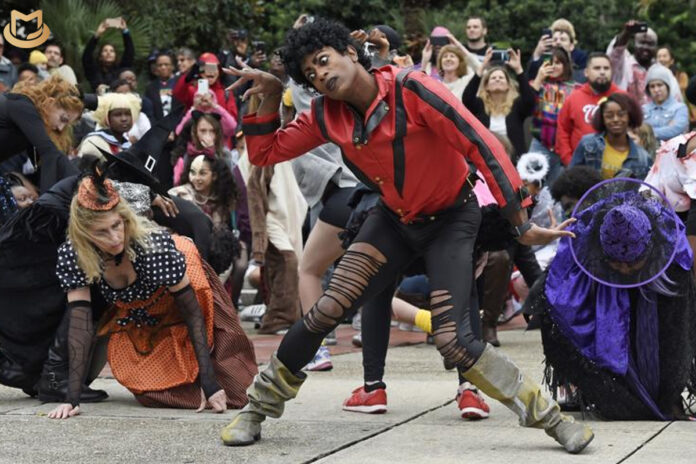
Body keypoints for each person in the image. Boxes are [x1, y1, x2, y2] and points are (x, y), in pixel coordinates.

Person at [219, 18, 593, 454]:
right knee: (326, 309)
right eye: (310, 74)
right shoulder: (325, 113)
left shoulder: (412, 87)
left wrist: (520, 222)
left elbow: (480, 143)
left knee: (456, 340)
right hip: (394, 219)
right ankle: (257, 408)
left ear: (351, 53)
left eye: (323, 61)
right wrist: (265, 100)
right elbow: (265, 152)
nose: (320, 75)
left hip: (453, 219)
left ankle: (551, 419)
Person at [46, 173, 257, 419]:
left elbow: (193, 314)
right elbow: (80, 324)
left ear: (125, 218)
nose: (114, 238)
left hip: (187, 285)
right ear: (84, 233)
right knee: (153, 394)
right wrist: (72, 399)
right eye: (101, 232)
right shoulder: (75, 254)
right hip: (141, 305)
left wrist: (209, 382)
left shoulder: (153, 248)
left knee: (229, 391)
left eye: (117, 225)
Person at [527, 178, 696, 420]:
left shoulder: (673, 250)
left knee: (668, 329)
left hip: (656, 289)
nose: (625, 270)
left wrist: (670, 394)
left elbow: (676, 334)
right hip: (597, 283)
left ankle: (664, 395)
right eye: (617, 263)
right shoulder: (581, 243)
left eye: (631, 263)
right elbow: (561, 302)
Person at [169, 154, 249, 304]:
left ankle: (231, 305)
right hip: (185, 249)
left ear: (214, 176)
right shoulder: (180, 193)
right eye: (193, 172)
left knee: (240, 259)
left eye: (202, 173)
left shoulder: (222, 199)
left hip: (215, 252)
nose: (196, 178)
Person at [0, 76, 82, 192]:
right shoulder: (23, 107)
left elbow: (54, 158)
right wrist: (47, 201)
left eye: (66, 125)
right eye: (63, 119)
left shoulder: (27, 115)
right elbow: (50, 153)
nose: (60, 128)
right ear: (50, 102)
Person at [462, 48, 536, 162]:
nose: (497, 80)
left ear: (508, 85)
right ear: (486, 86)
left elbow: (530, 101)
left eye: (501, 78)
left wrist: (519, 70)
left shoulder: (516, 105)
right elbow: (467, 98)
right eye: (493, 78)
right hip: (485, 158)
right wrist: (482, 68)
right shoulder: (479, 105)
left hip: (514, 160)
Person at [555, 53, 624, 166]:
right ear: (586, 72)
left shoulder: (623, 98)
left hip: (617, 165)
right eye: (597, 68)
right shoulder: (573, 98)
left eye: (606, 68)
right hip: (580, 166)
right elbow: (563, 132)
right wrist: (569, 161)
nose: (602, 72)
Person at [570, 92, 650, 179]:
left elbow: (643, 189)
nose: (615, 119)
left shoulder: (643, 158)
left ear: (629, 117)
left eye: (621, 115)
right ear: (602, 118)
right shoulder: (588, 144)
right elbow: (571, 178)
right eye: (609, 116)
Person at [530, 47, 581, 184]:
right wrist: (539, 78)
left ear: (565, 66)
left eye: (558, 63)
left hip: (564, 147)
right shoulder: (537, 84)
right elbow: (526, 105)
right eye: (550, 62)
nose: (553, 66)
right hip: (540, 143)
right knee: (528, 184)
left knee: (557, 190)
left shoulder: (577, 89)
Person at [607, 19, 681, 106]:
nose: (645, 47)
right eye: (642, 43)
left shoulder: (664, 72)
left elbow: (676, 101)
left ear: (656, 47)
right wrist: (626, 33)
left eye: (650, 44)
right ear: (634, 44)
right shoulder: (623, 65)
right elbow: (615, 53)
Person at [173, 52, 238, 121]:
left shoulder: (226, 93)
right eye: (206, 68)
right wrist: (188, 76)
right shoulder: (192, 90)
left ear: (219, 71)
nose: (210, 72)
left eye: (213, 68)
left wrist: (215, 108)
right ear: (200, 71)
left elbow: (233, 120)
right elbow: (178, 94)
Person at [81, 18, 135, 93]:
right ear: (100, 56)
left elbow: (129, 52)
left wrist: (125, 32)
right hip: (100, 101)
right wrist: (97, 35)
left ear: (115, 56)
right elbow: (87, 56)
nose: (108, 53)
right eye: (105, 50)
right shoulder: (94, 71)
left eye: (112, 51)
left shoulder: (120, 70)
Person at [78, 92, 139, 158]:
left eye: (128, 114)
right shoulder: (94, 142)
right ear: (106, 117)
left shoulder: (129, 146)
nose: (124, 119)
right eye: (117, 114)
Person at [528, 19, 587, 83]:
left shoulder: (581, 61)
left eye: (563, 39)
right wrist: (537, 53)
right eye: (555, 39)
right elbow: (530, 80)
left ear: (571, 46)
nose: (558, 42)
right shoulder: (545, 61)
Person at [642, 64, 688, 141]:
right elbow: (637, 131)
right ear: (648, 89)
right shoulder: (643, 109)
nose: (656, 90)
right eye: (652, 86)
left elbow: (676, 129)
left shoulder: (680, 108)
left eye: (659, 85)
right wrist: (667, 127)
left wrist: (647, 132)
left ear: (667, 86)